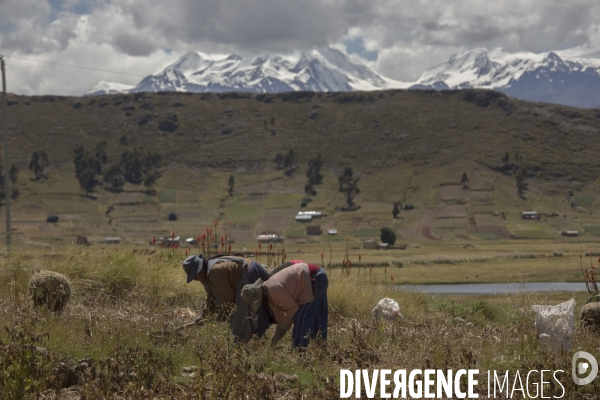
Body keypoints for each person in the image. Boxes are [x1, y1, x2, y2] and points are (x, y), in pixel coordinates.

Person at [182, 253, 273, 342]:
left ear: (200, 268)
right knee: (238, 312)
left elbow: (229, 297)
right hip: (243, 274)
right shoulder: (204, 276)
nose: (194, 279)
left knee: (239, 312)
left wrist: (223, 314)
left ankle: (242, 342)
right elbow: (210, 296)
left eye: (195, 275)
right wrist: (205, 315)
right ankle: (255, 339)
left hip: (249, 273)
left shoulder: (214, 272)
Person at [241, 260, 328, 348]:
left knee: (301, 316)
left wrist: (285, 324)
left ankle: (299, 351)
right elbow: (281, 319)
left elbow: (293, 308)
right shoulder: (270, 298)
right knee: (316, 316)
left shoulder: (273, 289)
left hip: (314, 277)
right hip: (315, 277)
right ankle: (320, 347)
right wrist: (274, 340)